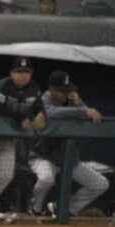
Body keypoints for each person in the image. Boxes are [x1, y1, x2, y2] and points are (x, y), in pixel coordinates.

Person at [0, 56, 45, 223]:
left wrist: (40, 115)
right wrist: (23, 117)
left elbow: (38, 107)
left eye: (27, 72)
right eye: (19, 72)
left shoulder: (34, 87)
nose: (23, 75)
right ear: (12, 73)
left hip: (9, 137)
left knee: (6, 175)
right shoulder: (3, 85)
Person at [28, 71, 108, 219]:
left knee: (100, 184)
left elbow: (90, 117)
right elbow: (51, 112)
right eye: (62, 91)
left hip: (69, 159)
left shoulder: (72, 101)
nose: (66, 94)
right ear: (52, 88)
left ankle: (64, 207)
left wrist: (80, 103)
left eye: (68, 90)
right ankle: (36, 208)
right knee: (46, 179)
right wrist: (82, 110)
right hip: (44, 157)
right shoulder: (44, 98)